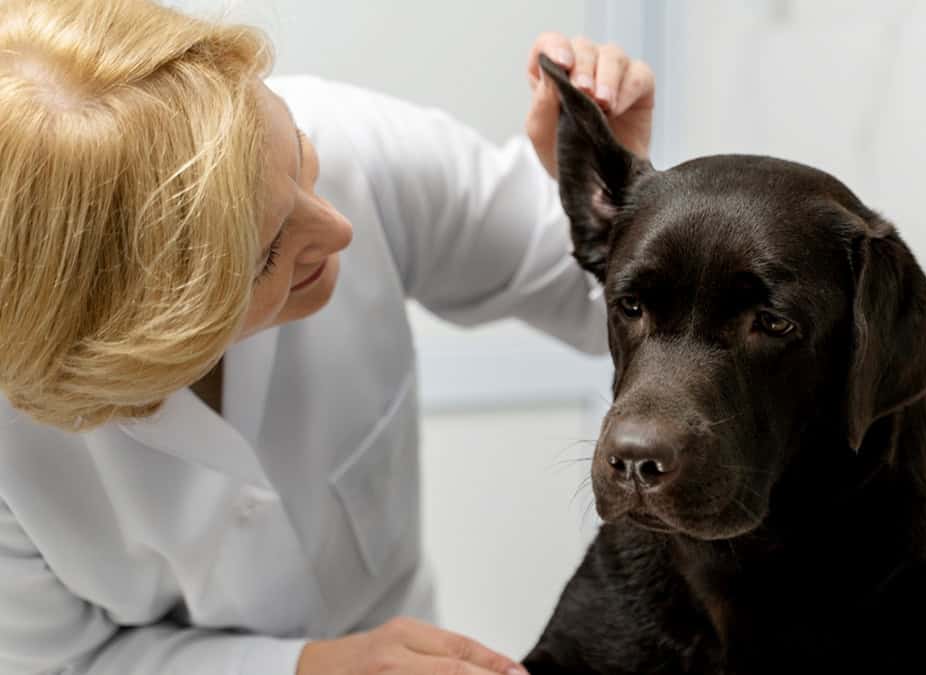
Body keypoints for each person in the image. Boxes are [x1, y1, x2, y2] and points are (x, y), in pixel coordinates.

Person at [0, 1, 655, 673]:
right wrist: (307, 666)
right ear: (140, 336)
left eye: (299, 154)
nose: (338, 228)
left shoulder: (356, 147)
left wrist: (619, 201)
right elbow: (59, 664)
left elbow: (620, 310)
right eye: (266, 256)